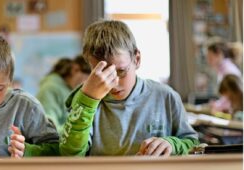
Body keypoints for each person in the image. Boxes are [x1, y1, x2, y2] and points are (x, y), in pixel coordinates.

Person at [59, 20, 199, 156]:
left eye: (121, 71)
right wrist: (88, 101)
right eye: (103, 74)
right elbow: (70, 155)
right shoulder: (84, 99)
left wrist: (172, 144)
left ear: (137, 59)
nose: (113, 83)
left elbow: (193, 144)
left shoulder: (165, 96)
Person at [36, 56, 90, 133]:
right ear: (75, 69)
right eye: (89, 78)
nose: (88, 84)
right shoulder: (50, 89)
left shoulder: (71, 90)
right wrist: (77, 130)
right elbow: (47, 129)